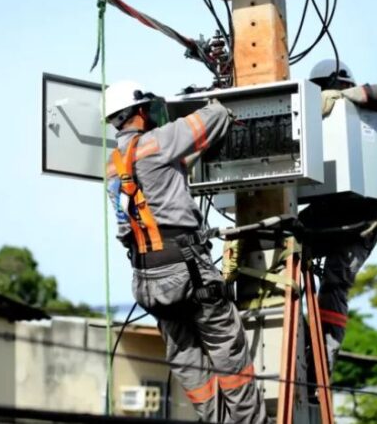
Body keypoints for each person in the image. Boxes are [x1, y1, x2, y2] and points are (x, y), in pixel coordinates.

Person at [104, 81, 266, 424]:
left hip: (148, 281)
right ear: (142, 112)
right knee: (229, 354)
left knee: (187, 360)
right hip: (188, 271)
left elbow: (132, 220)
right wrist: (213, 95)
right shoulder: (159, 141)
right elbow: (216, 116)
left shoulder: (113, 165)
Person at [299, 59, 377, 374]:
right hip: (326, 213)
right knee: (282, 249)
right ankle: (294, 340)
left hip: (359, 219)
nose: (332, 94)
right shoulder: (309, 117)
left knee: (336, 281)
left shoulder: (364, 112)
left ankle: (321, 360)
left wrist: (346, 97)